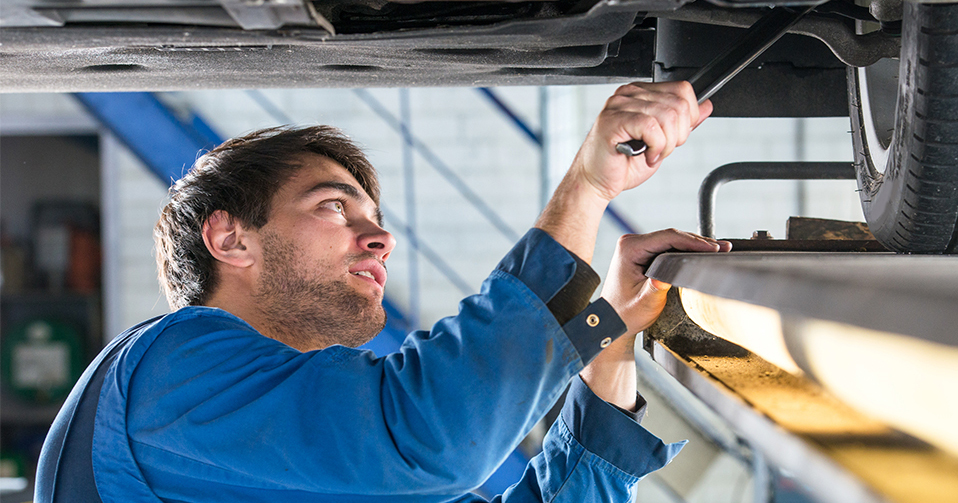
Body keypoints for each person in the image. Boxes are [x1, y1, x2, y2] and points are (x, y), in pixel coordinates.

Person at [35, 81, 731, 502]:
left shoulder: (288, 458)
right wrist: (588, 187)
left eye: (377, 220)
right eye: (335, 208)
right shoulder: (168, 372)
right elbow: (435, 433)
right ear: (229, 238)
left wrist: (608, 329)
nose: (380, 239)